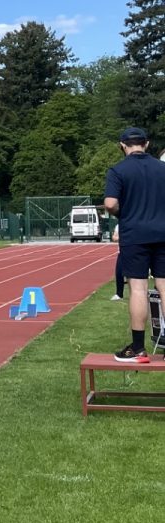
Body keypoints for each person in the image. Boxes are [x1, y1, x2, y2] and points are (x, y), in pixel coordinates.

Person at [104, 127, 165, 362]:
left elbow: (110, 204)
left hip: (135, 234)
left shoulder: (118, 170)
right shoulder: (162, 168)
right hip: (163, 232)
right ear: (146, 144)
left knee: (138, 288)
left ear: (122, 146)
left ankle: (138, 348)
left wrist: (124, 213)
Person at [111, 225, 125, 302]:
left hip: (136, 252)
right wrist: (123, 237)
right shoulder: (119, 225)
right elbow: (114, 237)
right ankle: (119, 294)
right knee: (119, 273)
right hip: (122, 252)